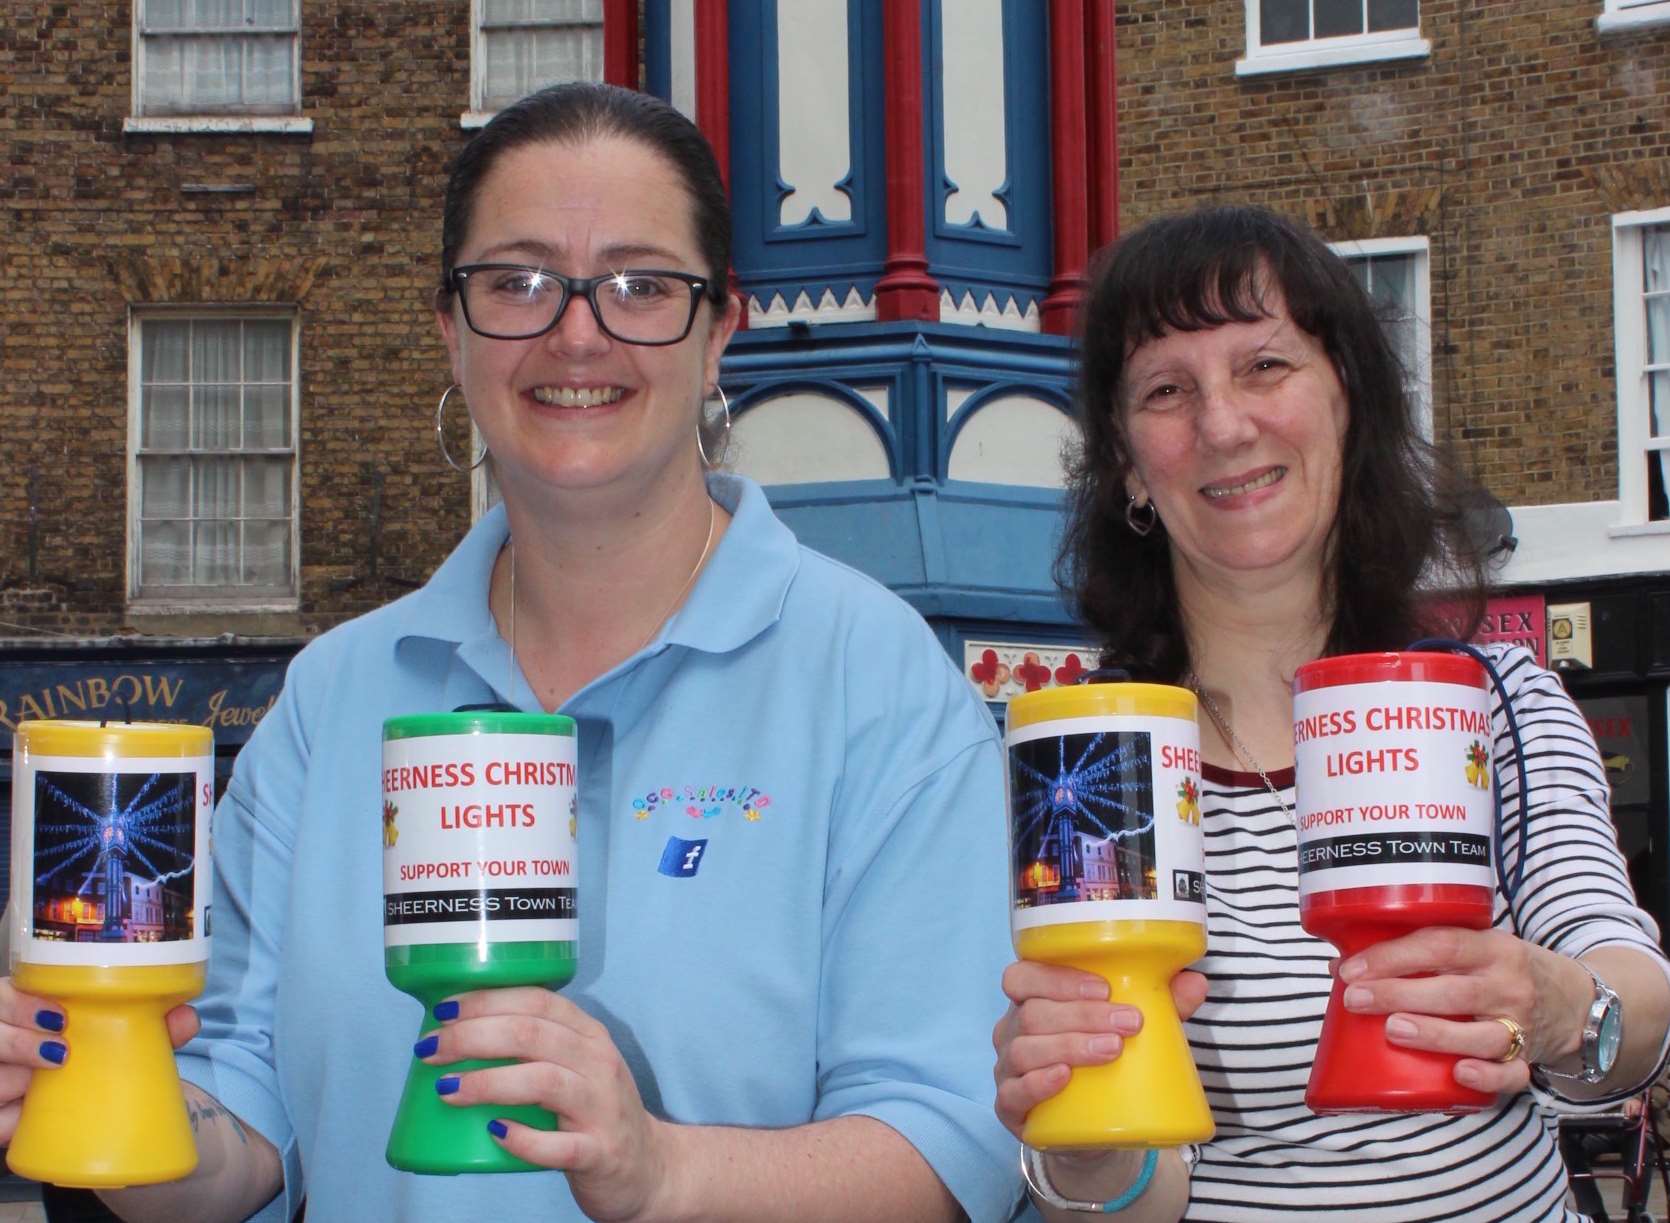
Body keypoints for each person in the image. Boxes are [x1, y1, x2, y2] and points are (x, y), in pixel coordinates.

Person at [0, 82, 1021, 1222]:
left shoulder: (870, 679)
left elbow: (947, 1150)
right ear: (450, 324)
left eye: (640, 284)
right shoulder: (331, 697)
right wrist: (98, 1089)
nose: (575, 331)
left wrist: (663, 1169)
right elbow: (234, 1139)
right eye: (518, 282)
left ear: (718, 327)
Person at [991, 204, 1670, 1221]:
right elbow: (1131, 1195)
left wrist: (1562, 1007)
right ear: (1127, 461)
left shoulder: (1491, 703)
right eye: (1167, 390)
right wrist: (1085, 1145)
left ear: (1347, 397)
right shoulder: (1089, 763)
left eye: (1263, 367)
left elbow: (1629, 988)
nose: (1222, 424)